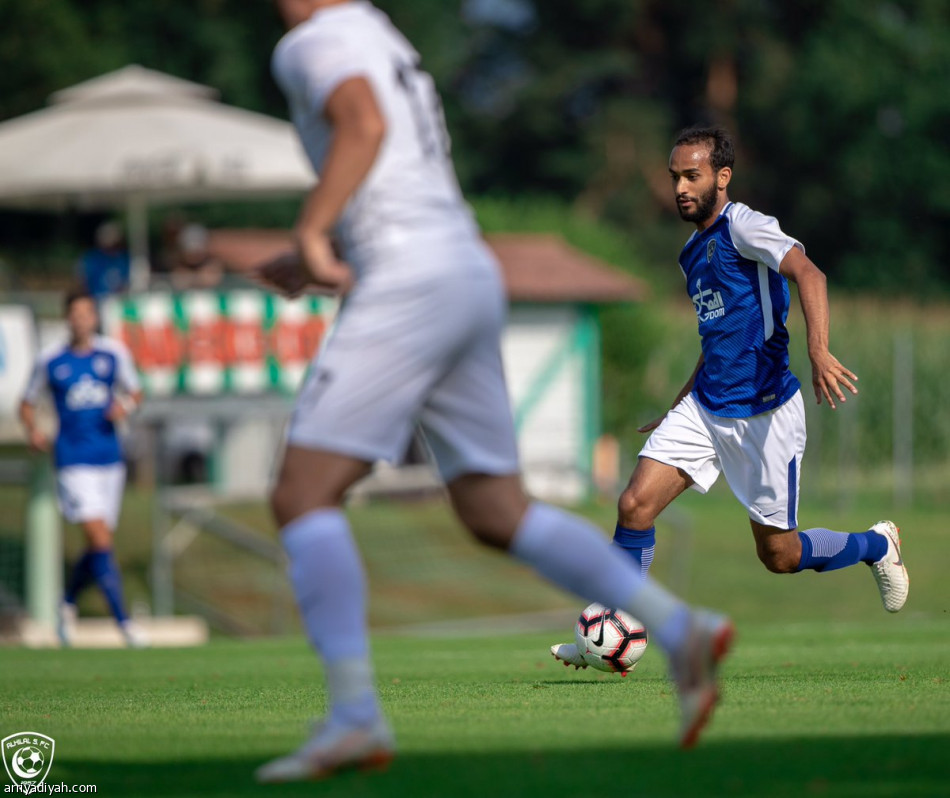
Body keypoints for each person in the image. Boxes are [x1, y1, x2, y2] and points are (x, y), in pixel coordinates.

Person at [253, 0, 733, 782]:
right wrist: (319, 246)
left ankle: (353, 716)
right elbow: (398, 170)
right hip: (464, 270)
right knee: (493, 510)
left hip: (407, 276)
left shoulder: (315, 38)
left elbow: (363, 126)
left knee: (302, 494)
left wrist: (313, 230)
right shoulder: (381, 32)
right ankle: (681, 632)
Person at [551, 126, 909, 669]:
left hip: (765, 413)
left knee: (780, 556)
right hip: (706, 406)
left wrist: (818, 349)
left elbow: (808, 273)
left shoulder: (745, 225)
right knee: (634, 504)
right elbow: (716, 339)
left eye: (691, 175)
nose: (680, 187)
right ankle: (607, 633)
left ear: (722, 177)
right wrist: (678, 403)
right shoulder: (691, 254)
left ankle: (877, 545)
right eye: (675, 177)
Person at [19, 289, 146, 648]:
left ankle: (68, 601)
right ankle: (125, 625)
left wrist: (124, 406)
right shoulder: (50, 359)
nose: (81, 319)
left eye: (87, 313)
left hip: (110, 458)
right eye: (75, 313)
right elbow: (27, 402)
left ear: (95, 318)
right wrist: (33, 430)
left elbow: (136, 392)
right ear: (67, 318)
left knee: (98, 546)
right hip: (73, 460)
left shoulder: (113, 353)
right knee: (100, 539)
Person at [77, 221, 131, 300]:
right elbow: (83, 281)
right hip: (96, 300)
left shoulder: (123, 258)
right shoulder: (91, 258)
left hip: (118, 301)